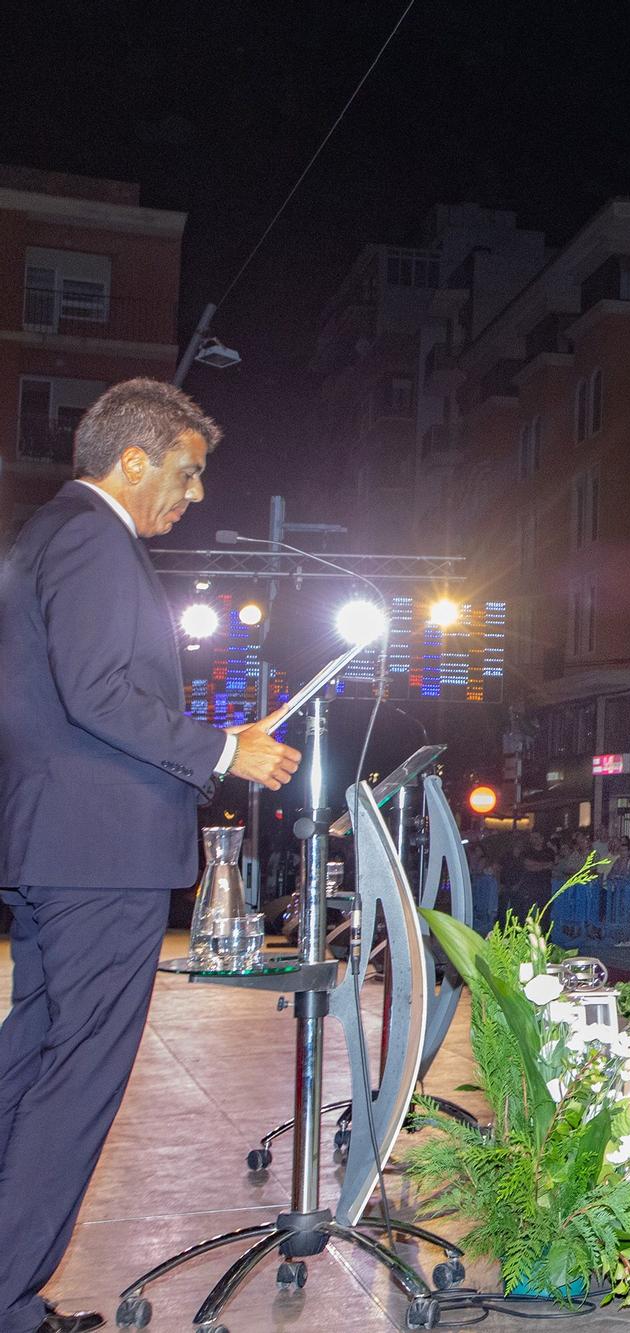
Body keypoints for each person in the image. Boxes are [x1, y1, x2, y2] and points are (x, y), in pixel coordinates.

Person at [0, 380, 302, 1333]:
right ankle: (8, 1299)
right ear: (134, 460)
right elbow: (96, 694)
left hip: (60, 842)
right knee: (77, 1078)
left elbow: (70, 698)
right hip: (99, 853)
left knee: (31, 1062)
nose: (197, 493)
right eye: (188, 470)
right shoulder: (93, 536)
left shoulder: (47, 533)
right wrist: (224, 751)